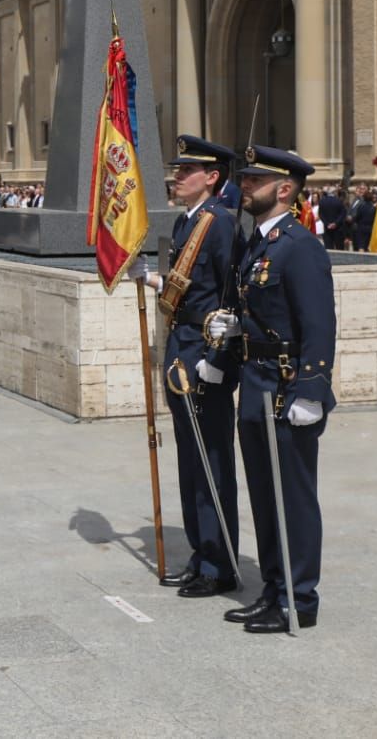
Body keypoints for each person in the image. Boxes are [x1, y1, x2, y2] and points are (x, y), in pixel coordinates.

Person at [225, 145, 336, 634]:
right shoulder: (258, 243)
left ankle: (299, 598)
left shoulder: (300, 245)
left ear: (284, 189)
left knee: (292, 496)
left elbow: (319, 324)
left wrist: (312, 389)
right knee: (265, 497)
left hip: (288, 387)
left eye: (254, 180)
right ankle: (273, 587)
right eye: (244, 178)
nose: (244, 186)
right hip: (255, 384)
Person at [138, 136, 241, 600]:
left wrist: (217, 360)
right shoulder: (188, 221)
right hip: (181, 345)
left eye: (186, 171)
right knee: (190, 459)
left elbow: (231, 296)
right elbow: (190, 287)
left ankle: (219, 563)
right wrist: (154, 279)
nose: (176, 177)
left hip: (201, 352)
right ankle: (201, 554)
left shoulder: (218, 224)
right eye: (177, 170)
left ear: (212, 177)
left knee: (210, 459)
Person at [315, 185, 346, 251]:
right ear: (335, 192)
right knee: (339, 248)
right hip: (338, 229)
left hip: (327, 229)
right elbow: (342, 214)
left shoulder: (322, 201)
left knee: (328, 248)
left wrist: (327, 224)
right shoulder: (339, 201)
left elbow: (321, 214)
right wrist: (335, 223)